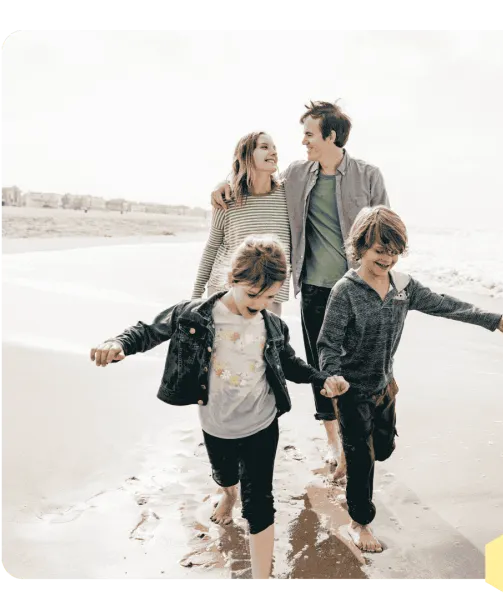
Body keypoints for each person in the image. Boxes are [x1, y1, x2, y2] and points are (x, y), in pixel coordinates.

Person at [89, 235, 349, 580]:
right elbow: (149, 330)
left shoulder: (272, 326)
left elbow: (290, 365)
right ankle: (227, 494)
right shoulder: (194, 314)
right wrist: (118, 343)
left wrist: (322, 378)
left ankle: (261, 576)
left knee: (260, 503)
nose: (258, 304)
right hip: (216, 423)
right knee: (225, 475)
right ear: (232, 280)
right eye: (252, 294)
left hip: (262, 422)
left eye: (269, 296)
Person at [316, 206, 503, 552]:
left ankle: (348, 458)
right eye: (380, 251)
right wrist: (334, 375)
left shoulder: (403, 287)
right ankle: (359, 522)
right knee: (362, 460)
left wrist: (495, 321)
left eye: (394, 252)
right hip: (352, 392)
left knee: (382, 449)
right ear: (361, 247)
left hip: (385, 387)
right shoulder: (346, 291)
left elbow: (445, 305)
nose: (387, 259)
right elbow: (328, 343)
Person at [210, 101, 389, 480]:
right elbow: (255, 182)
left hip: (358, 289)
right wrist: (221, 186)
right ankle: (336, 442)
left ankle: (375, 412)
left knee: (364, 365)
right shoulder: (296, 175)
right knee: (322, 365)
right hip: (313, 288)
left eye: (309, 134)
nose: (302, 141)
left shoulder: (369, 176)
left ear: (331, 136)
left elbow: (385, 231)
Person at [194, 132, 291, 316]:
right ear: (246, 155)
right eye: (264, 147)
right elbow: (212, 246)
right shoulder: (227, 198)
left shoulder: (287, 195)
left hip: (269, 296)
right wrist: (196, 296)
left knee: (265, 344)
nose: (273, 152)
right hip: (225, 293)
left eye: (274, 148)